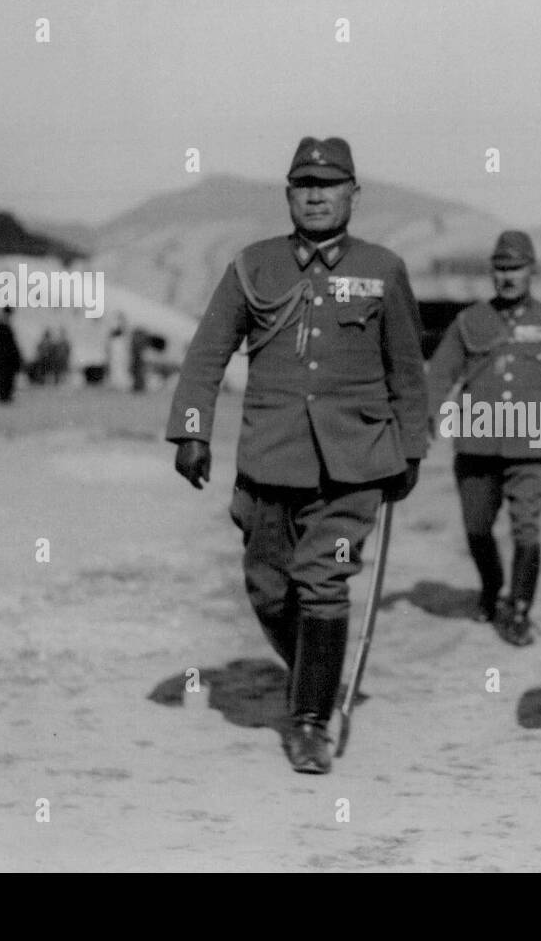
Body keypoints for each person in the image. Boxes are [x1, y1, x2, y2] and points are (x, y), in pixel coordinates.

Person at [166, 136, 429, 774]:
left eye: (330, 185)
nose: (316, 196)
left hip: (355, 465)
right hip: (270, 459)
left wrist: (410, 451)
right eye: (304, 186)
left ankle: (309, 719)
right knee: (266, 590)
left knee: (322, 582)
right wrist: (193, 431)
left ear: (353, 196)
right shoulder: (254, 266)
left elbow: (407, 372)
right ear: (289, 195)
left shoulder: (384, 268)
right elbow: (207, 353)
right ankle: (316, 672)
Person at [427, 231, 541, 645]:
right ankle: (491, 585)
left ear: (532, 270)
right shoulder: (469, 321)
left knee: (526, 529)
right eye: (500, 269)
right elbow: (440, 376)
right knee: (477, 528)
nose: (508, 276)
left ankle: (518, 610)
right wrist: (423, 422)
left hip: (533, 446)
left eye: (515, 268)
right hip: (478, 441)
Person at [0, 308, 22, 403]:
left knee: (7, 377)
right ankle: (3, 396)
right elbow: (8, 344)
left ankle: (5, 395)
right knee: (5, 377)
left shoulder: (4, 325)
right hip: (6, 357)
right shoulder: (3, 326)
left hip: (7, 357)